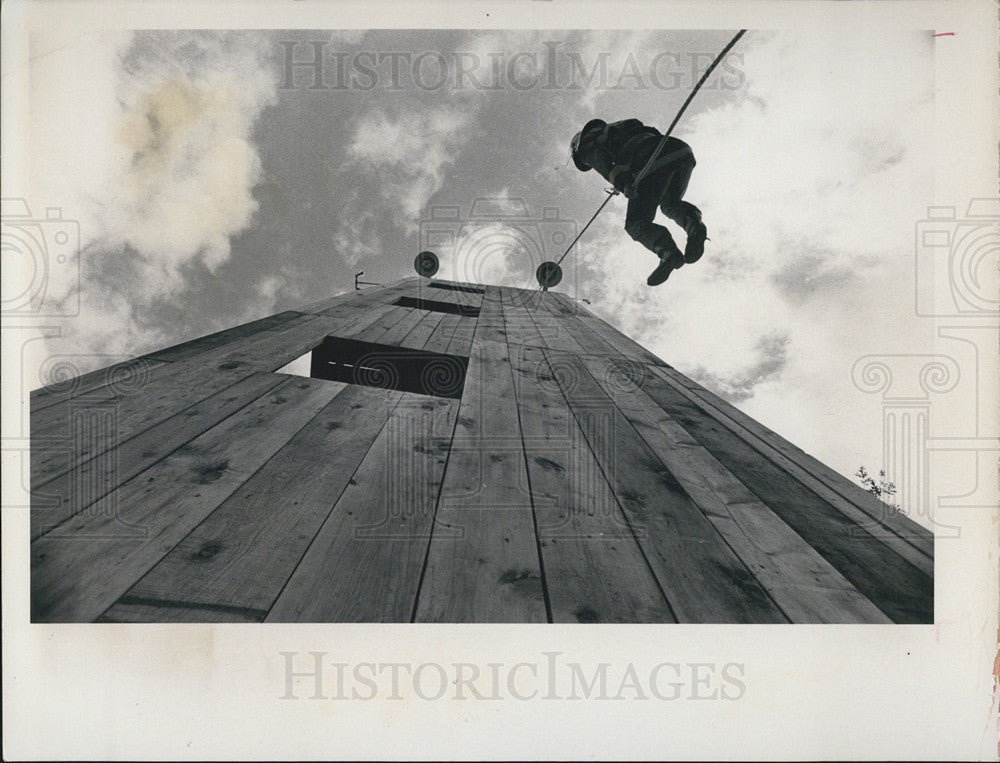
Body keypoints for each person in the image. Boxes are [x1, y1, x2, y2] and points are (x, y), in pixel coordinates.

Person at [570, 118, 708, 286]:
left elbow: (604, 163)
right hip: (681, 151)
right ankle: (694, 226)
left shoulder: (586, 146)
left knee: (636, 223)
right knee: (670, 204)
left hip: (651, 158)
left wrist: (623, 182)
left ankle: (668, 252)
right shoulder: (621, 128)